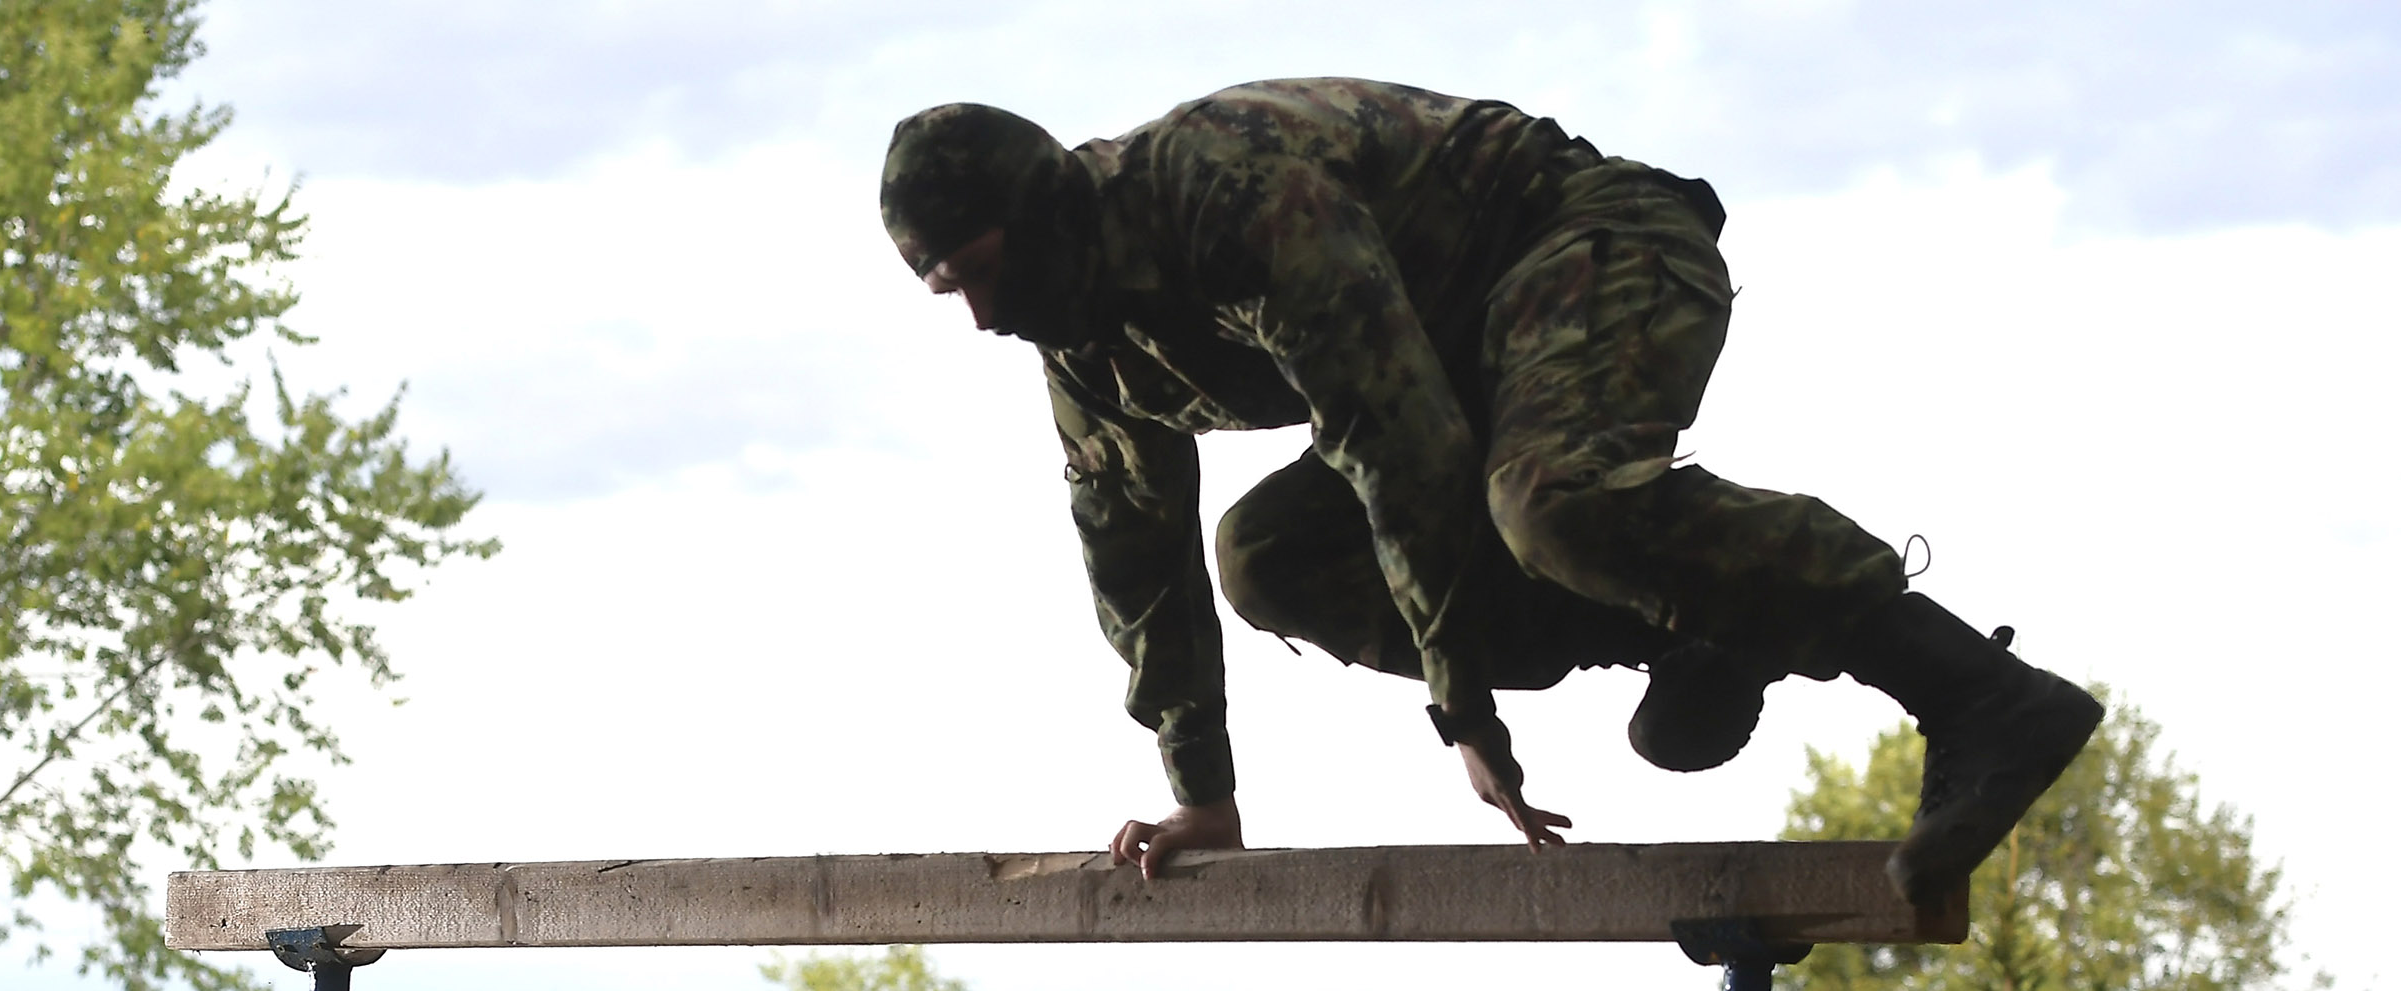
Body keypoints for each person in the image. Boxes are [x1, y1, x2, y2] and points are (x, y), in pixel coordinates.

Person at [878, 79, 2101, 904]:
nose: (983, 315)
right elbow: (1137, 564)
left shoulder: (1225, 196)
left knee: (1548, 500)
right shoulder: (1082, 341)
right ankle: (1693, 622)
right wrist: (1201, 796)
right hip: (1452, 349)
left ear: (1040, 213)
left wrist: (1464, 708)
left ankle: (1983, 697)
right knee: (1265, 558)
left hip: (1587, 239)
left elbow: (1393, 439)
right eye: (949, 296)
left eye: (982, 271)